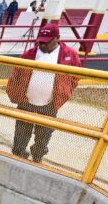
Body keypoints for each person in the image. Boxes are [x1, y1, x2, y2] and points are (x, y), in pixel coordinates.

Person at [6, 23, 81, 163]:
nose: (42, 45)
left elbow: (75, 77)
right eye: (40, 41)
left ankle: (37, 157)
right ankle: (18, 156)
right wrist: (16, 95)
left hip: (50, 104)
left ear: (57, 38)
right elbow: (15, 76)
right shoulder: (29, 54)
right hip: (26, 102)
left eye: (46, 42)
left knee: (43, 137)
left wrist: (64, 94)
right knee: (20, 136)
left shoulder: (70, 55)